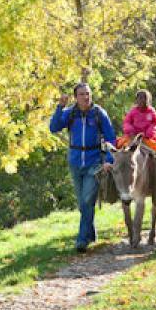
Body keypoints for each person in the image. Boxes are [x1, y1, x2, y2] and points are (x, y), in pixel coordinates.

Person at [50, 82, 116, 253]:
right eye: (81, 94)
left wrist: (109, 159)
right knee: (82, 203)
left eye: (88, 93)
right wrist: (60, 107)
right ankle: (90, 233)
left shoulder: (99, 114)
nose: (86, 97)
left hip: (94, 162)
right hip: (75, 162)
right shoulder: (70, 113)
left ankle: (81, 240)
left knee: (87, 199)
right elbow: (53, 127)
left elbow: (111, 138)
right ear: (75, 97)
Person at [121, 90, 156, 163]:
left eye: (144, 98)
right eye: (139, 98)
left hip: (147, 138)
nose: (142, 100)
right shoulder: (132, 111)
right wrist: (131, 131)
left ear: (148, 100)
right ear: (136, 100)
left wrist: (149, 132)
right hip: (133, 138)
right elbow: (126, 122)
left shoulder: (151, 112)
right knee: (117, 146)